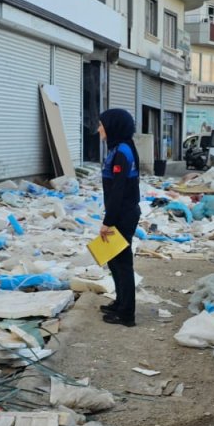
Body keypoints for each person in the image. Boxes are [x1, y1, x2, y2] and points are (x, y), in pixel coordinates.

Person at [97, 109, 141, 327]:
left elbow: (118, 191)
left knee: (122, 263)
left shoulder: (122, 152)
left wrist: (108, 222)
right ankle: (120, 302)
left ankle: (126, 314)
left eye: (101, 125)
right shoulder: (118, 148)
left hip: (123, 215)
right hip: (121, 213)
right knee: (113, 260)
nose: (98, 129)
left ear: (113, 126)